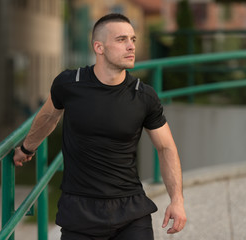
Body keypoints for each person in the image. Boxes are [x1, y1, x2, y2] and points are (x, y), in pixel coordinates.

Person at [13, 13, 186, 239]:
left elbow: (166, 148)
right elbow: (48, 117)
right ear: (99, 47)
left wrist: (177, 200)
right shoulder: (69, 84)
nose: (131, 46)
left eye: (133, 39)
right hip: (80, 211)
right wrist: (27, 148)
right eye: (121, 40)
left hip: (130, 210)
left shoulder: (143, 96)